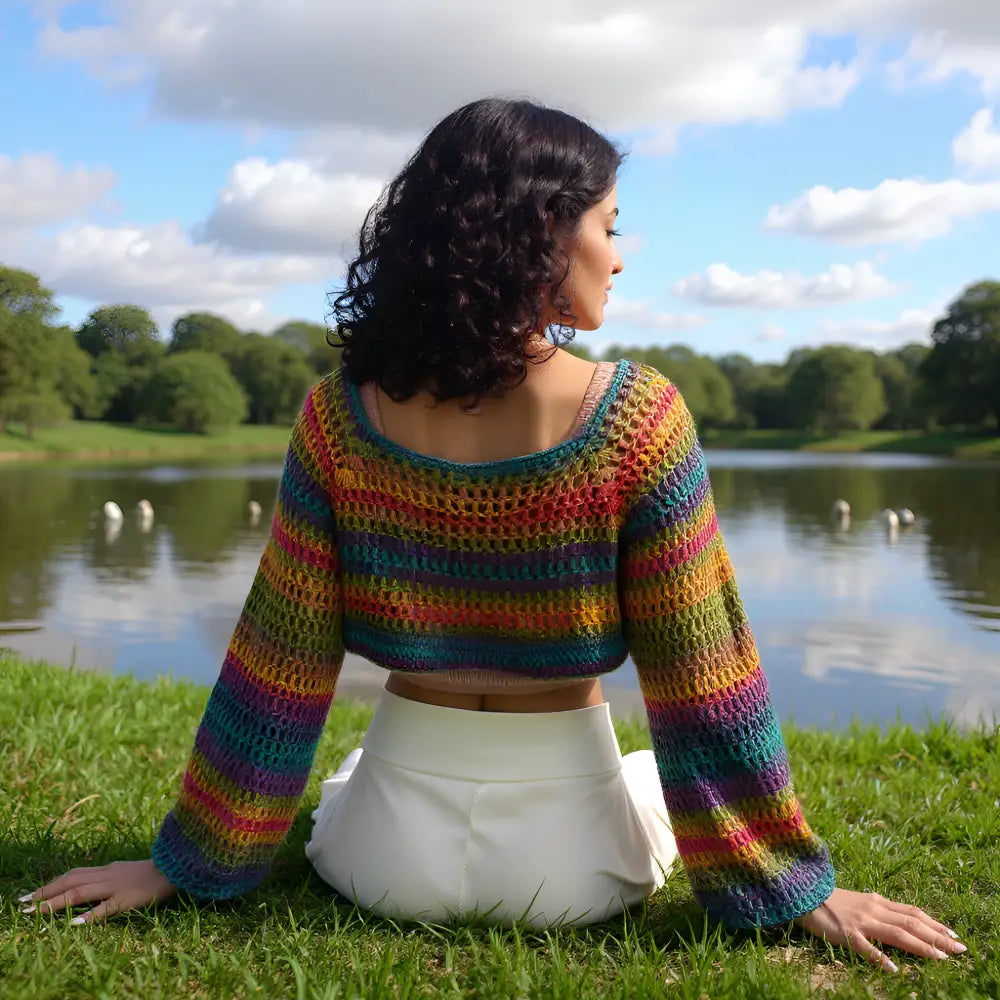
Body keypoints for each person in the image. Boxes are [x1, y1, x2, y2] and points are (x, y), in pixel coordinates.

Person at [22, 98, 966, 973]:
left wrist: (184, 864)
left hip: (382, 860)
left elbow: (279, 669)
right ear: (544, 236)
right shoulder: (640, 419)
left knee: (353, 773)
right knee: (643, 777)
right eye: (610, 227)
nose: (621, 255)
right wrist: (792, 884)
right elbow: (702, 680)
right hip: (578, 870)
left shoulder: (338, 420)